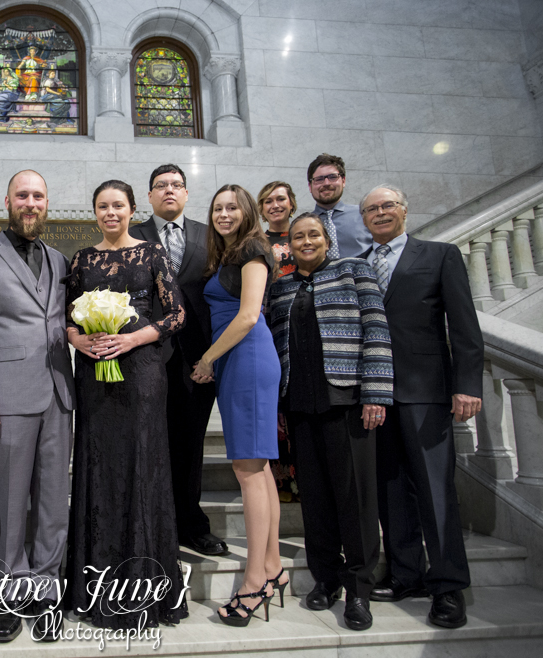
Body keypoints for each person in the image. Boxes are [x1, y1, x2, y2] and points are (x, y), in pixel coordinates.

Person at [64, 180, 189, 629]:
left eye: (118, 205)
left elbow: (176, 314)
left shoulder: (152, 253)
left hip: (141, 373)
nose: (110, 213)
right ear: (94, 211)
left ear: (133, 209)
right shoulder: (81, 259)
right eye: (102, 206)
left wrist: (131, 338)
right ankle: (94, 584)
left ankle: (143, 585)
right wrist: (83, 340)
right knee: (99, 465)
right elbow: (64, 318)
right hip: (95, 375)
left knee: (141, 464)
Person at [0, 169, 74, 643]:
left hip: (58, 392)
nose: (30, 203)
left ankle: (46, 589)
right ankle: (9, 587)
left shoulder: (61, 260)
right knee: (9, 496)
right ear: (7, 200)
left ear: (47, 203)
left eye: (38, 196)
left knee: (51, 498)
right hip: (6, 393)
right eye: (22, 195)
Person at [359, 185, 484, 629]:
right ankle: (405, 573)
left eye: (387, 206)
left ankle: (448, 586)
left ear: (404, 211)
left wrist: (467, 384)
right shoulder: (359, 263)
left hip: (427, 392)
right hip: (376, 396)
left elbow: (464, 324)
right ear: (364, 219)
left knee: (435, 492)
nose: (380, 213)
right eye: (371, 209)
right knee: (391, 492)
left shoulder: (439, 254)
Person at [268, 213, 394, 632]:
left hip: (347, 400)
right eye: (298, 236)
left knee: (354, 498)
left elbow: (376, 331)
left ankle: (359, 587)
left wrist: (376, 392)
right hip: (301, 404)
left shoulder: (354, 270)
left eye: (313, 235)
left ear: (327, 239)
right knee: (316, 497)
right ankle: (325, 578)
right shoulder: (282, 285)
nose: (306, 241)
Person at [191, 184, 283, 627]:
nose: (223, 214)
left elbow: (248, 315)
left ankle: (253, 583)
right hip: (237, 362)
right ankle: (273, 567)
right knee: (258, 469)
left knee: (248, 471)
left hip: (246, 359)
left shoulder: (253, 250)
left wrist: (207, 358)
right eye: (217, 208)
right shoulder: (228, 253)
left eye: (232, 207)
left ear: (246, 212)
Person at [130, 165, 226, 557]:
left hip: (197, 359)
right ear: (149, 196)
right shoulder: (133, 235)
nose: (169, 191)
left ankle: (190, 521)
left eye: (176, 185)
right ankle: (150, 522)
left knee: (189, 445)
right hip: (145, 356)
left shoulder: (211, 234)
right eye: (160, 186)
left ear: (186, 193)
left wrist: (214, 356)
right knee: (148, 442)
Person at [257, 181, 299, 502]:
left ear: (292, 203)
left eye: (280, 199)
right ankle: (282, 481)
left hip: (302, 325)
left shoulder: (306, 234)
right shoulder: (257, 242)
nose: (275, 205)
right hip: (270, 327)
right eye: (268, 201)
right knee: (277, 406)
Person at [307, 154, 370, 260]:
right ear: (310, 186)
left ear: (343, 180)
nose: (326, 183)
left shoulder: (364, 214)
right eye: (319, 179)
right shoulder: (304, 224)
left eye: (332, 177)